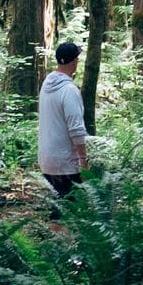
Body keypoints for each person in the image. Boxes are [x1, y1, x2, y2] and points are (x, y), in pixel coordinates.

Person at [38, 41, 89, 200]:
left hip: (47, 159)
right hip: (66, 162)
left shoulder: (46, 84)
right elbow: (76, 130)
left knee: (57, 211)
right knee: (69, 214)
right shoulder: (69, 90)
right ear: (74, 62)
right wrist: (83, 160)